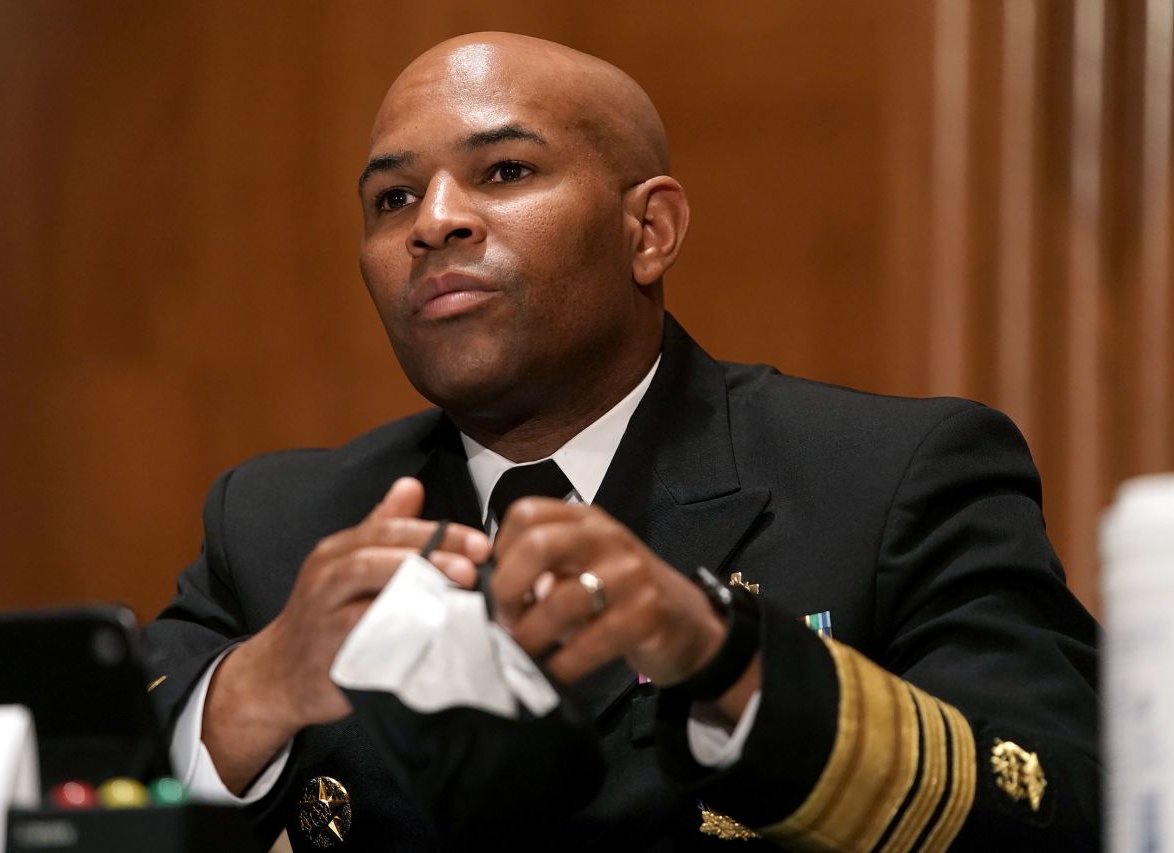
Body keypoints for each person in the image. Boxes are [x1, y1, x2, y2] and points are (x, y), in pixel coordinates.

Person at [143, 32, 1099, 851]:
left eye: (505, 171)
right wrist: (258, 689)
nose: (434, 223)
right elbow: (71, 780)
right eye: (392, 199)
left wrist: (734, 667)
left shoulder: (889, 479)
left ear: (650, 230)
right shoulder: (281, 525)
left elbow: (1064, 799)